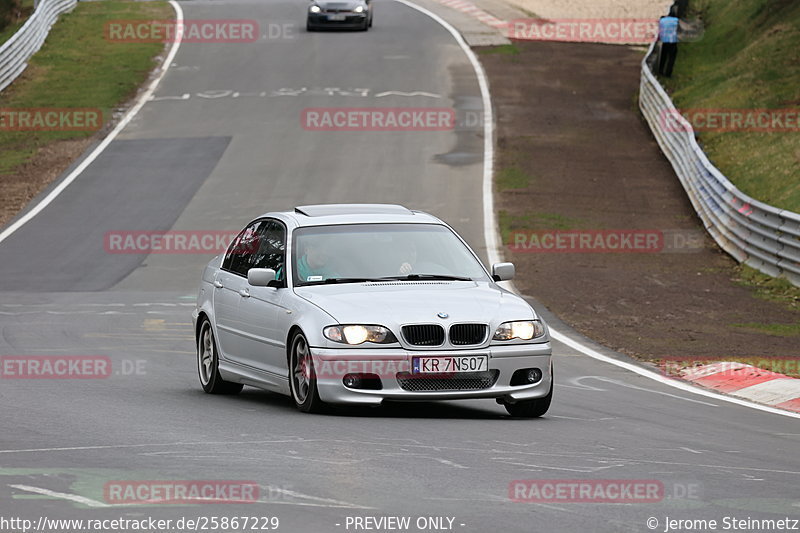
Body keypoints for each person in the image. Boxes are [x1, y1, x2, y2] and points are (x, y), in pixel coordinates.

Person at [658, 6, 680, 77]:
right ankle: (668, 73)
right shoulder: (676, 20)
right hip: (673, 41)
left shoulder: (663, 20)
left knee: (663, 56)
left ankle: (660, 70)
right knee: (671, 58)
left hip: (665, 41)